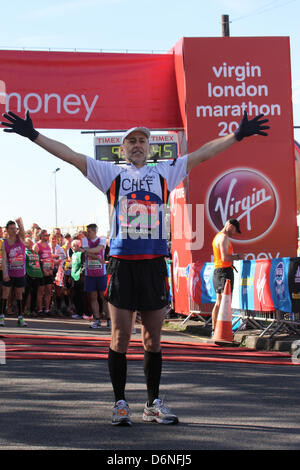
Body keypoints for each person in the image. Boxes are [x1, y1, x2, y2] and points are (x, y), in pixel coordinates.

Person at [1, 109, 269, 425]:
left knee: (153, 338)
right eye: (132, 141)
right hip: (122, 265)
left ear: (149, 147)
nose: (138, 145)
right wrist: (34, 135)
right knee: (120, 337)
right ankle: (120, 403)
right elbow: (71, 155)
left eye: (142, 140)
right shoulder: (109, 173)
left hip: (153, 264)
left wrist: (237, 135)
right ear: (123, 149)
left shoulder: (165, 172)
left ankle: (153, 403)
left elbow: (202, 154)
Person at [211, 219, 243, 336]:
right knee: (221, 302)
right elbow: (225, 258)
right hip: (223, 271)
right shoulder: (223, 238)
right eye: (235, 230)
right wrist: (238, 256)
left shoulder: (219, 237)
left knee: (222, 302)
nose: (234, 233)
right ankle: (216, 330)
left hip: (221, 271)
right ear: (230, 226)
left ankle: (217, 330)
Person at [80, 223, 109, 329]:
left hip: (101, 273)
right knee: (93, 297)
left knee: (104, 297)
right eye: (87, 231)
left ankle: (109, 319)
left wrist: (85, 250)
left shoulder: (101, 239)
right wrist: (96, 257)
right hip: (90, 273)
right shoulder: (84, 240)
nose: (87, 233)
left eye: (89, 231)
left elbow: (98, 249)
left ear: (95, 232)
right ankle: (97, 320)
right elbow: (90, 253)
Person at [0, 218, 27, 327]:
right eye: (11, 228)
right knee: (5, 294)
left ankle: (20, 318)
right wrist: (5, 274)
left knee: (19, 295)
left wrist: (20, 223)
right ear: (7, 230)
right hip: (9, 273)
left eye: (15, 228)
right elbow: (4, 259)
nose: (13, 230)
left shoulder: (20, 239)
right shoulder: (5, 243)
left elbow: (23, 232)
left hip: (20, 273)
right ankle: (1, 317)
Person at [34, 229, 54, 316]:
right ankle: (39, 310)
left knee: (49, 290)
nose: (47, 237)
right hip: (41, 272)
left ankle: (47, 309)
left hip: (49, 271)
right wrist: (43, 270)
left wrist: (51, 268)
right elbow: (35, 260)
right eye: (46, 235)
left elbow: (50, 257)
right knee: (40, 291)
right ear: (41, 236)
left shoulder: (48, 245)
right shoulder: (36, 245)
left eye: (47, 235)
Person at [24, 236, 43, 315]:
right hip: (28, 275)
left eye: (31, 241)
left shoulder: (35, 253)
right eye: (29, 241)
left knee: (34, 293)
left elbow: (38, 263)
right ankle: (24, 309)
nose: (31, 242)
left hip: (36, 275)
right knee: (26, 293)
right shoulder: (24, 252)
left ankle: (32, 310)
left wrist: (40, 273)